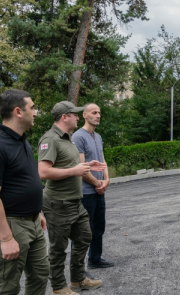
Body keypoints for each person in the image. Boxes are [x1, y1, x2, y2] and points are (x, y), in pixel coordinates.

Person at [38, 101, 106, 295]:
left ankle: (77, 280)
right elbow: (43, 172)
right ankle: (59, 287)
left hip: (75, 202)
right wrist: (74, 170)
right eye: (75, 114)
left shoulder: (67, 139)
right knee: (58, 249)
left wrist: (87, 166)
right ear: (64, 117)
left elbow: (71, 166)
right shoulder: (50, 138)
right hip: (58, 203)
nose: (78, 117)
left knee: (85, 237)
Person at [0, 89, 49, 295]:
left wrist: (37, 211)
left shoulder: (21, 139)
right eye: (32, 108)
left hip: (32, 221)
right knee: (8, 286)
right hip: (11, 224)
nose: (35, 112)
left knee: (41, 274)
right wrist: (5, 239)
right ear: (18, 111)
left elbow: (22, 180)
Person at [72, 103, 114, 269]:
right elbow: (81, 168)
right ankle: (78, 269)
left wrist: (107, 180)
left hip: (99, 191)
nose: (98, 115)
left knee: (98, 228)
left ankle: (95, 259)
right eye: (94, 112)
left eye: (99, 112)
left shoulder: (98, 136)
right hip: (86, 193)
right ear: (84, 115)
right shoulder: (78, 137)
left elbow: (102, 160)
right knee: (83, 232)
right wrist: (98, 183)